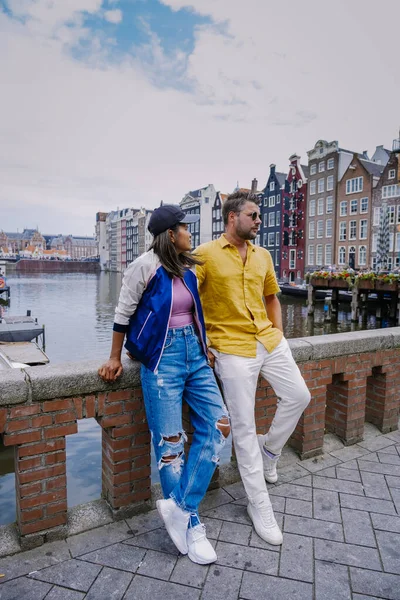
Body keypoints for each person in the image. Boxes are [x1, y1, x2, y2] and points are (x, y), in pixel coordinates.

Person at [98, 204, 230, 565]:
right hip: (161, 360)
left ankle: (181, 507)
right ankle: (192, 525)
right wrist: (114, 357)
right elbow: (123, 314)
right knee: (170, 446)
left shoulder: (187, 267)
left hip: (196, 356)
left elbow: (194, 312)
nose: (191, 234)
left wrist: (204, 346)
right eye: (185, 229)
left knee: (220, 425)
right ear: (171, 234)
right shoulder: (144, 266)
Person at [195, 190, 311, 546]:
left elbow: (271, 297)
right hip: (230, 348)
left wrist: (277, 334)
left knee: (299, 396)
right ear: (233, 218)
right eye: (253, 215)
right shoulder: (205, 255)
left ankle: (270, 452)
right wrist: (205, 345)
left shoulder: (263, 255)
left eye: (259, 215)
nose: (259, 221)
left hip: (268, 341)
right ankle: (258, 504)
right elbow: (187, 303)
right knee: (244, 427)